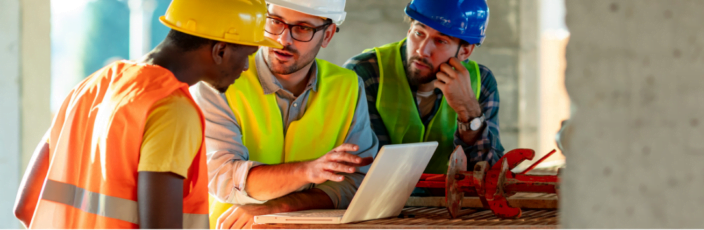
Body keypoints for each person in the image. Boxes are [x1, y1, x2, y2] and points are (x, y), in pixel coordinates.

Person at [12, 0, 281, 228]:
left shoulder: (89, 87)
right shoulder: (171, 108)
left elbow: (26, 206)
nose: (247, 67)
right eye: (248, 53)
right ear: (220, 49)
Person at [189, 0, 379, 228]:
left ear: (327, 35)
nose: (282, 40)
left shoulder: (347, 86)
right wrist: (307, 171)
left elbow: (357, 181)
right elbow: (224, 179)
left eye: (303, 28)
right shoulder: (218, 82)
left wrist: (282, 206)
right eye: (275, 22)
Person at [343, 0, 504, 187]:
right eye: (419, 33)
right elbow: (368, 171)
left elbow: (490, 177)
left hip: (453, 211)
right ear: (409, 29)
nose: (422, 50)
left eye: (440, 41)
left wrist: (469, 111)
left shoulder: (481, 82)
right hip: (381, 209)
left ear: (465, 51)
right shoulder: (365, 73)